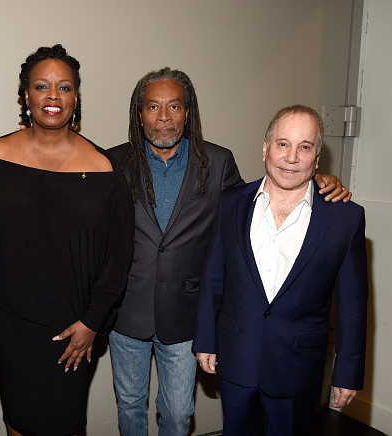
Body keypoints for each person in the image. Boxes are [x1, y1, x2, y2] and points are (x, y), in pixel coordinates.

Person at [107, 69, 351, 436]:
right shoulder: (113, 162)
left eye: (174, 106)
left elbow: (252, 203)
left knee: (177, 414)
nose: (164, 117)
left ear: (187, 112)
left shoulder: (217, 161)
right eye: (153, 107)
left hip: (185, 314)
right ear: (139, 114)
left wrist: (315, 181)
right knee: (129, 406)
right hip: (127, 310)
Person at [0, 44, 134, 436]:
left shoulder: (104, 170)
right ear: (25, 95)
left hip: (76, 327)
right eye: (42, 86)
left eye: (64, 87)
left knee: (66, 423)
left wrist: (92, 322)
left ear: (76, 97)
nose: (53, 95)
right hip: (8, 324)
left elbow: (118, 258)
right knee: (18, 420)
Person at [194, 105, 368, 436]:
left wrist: (347, 373)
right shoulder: (231, 203)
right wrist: (206, 339)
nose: (291, 157)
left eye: (305, 147)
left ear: (317, 159)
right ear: (266, 149)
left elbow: (353, 305)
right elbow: (213, 277)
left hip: (298, 369)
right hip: (237, 358)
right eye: (283, 144)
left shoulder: (345, 218)